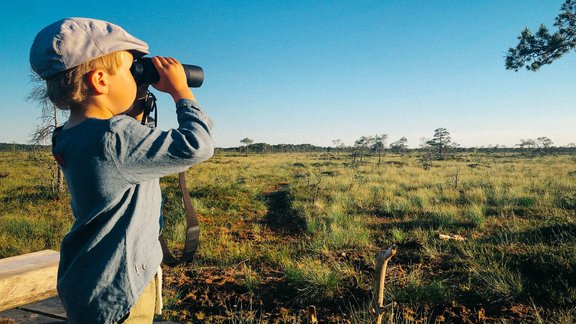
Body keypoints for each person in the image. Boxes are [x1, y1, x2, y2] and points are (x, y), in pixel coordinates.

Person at [29, 17, 214, 323]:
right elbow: (198, 145)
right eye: (130, 69)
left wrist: (135, 99)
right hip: (121, 288)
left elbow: (121, 152)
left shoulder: (68, 135)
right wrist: (181, 92)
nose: (136, 76)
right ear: (100, 81)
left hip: (90, 280)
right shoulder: (115, 136)